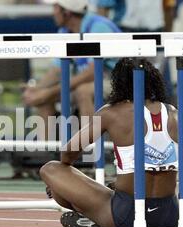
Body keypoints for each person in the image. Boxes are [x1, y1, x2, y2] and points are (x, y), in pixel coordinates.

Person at [40, 58, 179, 227]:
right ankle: (98, 213)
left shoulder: (111, 113)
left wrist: (66, 186)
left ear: (118, 83)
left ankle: (93, 216)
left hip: (127, 215)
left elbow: (67, 153)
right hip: (172, 215)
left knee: (52, 170)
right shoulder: (174, 113)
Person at [22, 0, 120, 137]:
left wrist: (49, 92)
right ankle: (46, 153)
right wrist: (37, 90)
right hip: (93, 81)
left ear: (67, 12)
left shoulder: (99, 27)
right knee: (43, 98)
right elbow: (57, 70)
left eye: (55, 7)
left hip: (119, 82)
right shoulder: (64, 31)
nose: (53, 12)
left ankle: (94, 151)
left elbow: (92, 73)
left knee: (83, 91)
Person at [95, 0, 175, 33]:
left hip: (156, 31)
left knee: (155, 68)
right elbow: (103, 7)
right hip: (125, 30)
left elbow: (168, 8)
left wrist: (168, 37)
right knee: (125, 67)